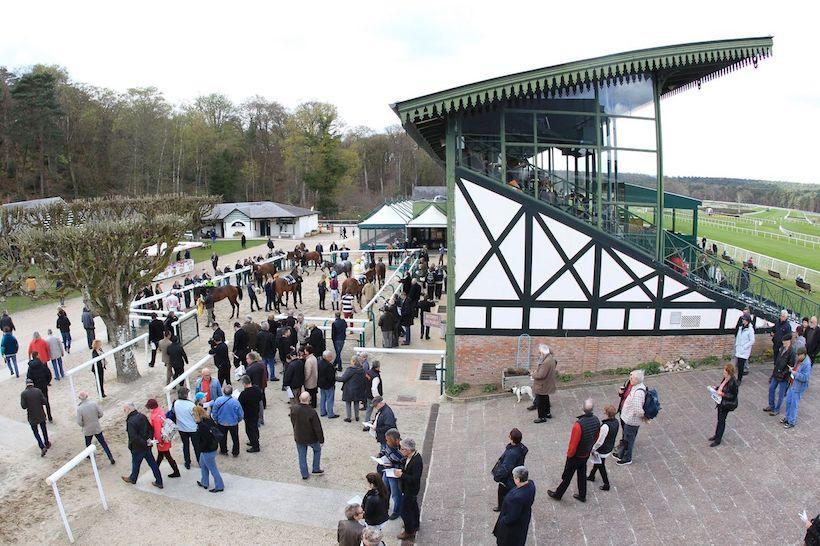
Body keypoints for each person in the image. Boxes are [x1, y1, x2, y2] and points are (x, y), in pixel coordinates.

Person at [547, 399, 601, 502]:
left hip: (576, 455)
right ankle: (582, 494)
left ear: (582, 409)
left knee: (567, 475)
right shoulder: (596, 420)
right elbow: (596, 436)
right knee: (582, 473)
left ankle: (558, 494)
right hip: (586, 453)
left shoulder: (578, 425)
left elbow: (573, 444)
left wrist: (570, 455)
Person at [121, 402, 163, 489]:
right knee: (153, 464)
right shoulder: (142, 416)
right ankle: (159, 481)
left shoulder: (130, 422)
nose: (124, 411)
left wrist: (145, 442)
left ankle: (133, 478)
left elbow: (134, 437)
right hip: (147, 446)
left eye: (125, 410)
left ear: (129, 410)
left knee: (136, 464)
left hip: (138, 448)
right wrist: (149, 440)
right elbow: (150, 429)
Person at [492, 466, 536, 546]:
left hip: (513, 528)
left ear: (518, 480)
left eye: (514, 477)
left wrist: (503, 521)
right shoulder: (531, 484)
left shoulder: (516, 498)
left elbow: (512, 517)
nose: (513, 478)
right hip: (524, 519)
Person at [613, 369, 646, 466]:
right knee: (625, 437)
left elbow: (638, 410)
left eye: (632, 377)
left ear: (637, 380)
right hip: (626, 416)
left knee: (629, 439)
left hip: (631, 420)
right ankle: (621, 452)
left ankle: (627, 458)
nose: (629, 378)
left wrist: (644, 418)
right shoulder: (632, 385)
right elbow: (624, 395)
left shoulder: (638, 393)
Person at [290, 391, 324, 479]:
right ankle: (315, 468)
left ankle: (304, 474)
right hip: (311, 438)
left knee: (302, 456)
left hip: (299, 436)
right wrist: (321, 440)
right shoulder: (312, 412)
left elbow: (293, 421)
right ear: (309, 399)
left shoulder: (294, 408)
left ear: (300, 399)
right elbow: (317, 428)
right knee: (317, 450)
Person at [492, 428, 528, 512]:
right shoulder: (521, 447)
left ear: (512, 439)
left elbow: (506, 468)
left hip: (509, 477)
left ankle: (501, 507)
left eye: (510, 436)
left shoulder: (512, 453)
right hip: (516, 473)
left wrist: (497, 477)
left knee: (502, 492)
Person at [395, 437, 423, 541]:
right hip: (408, 488)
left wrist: (401, 475)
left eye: (401, 449)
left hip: (411, 489)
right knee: (413, 507)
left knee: (404, 511)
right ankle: (415, 524)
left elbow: (415, 479)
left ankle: (409, 531)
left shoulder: (416, 461)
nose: (400, 450)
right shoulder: (410, 457)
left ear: (408, 450)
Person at [76, 391, 115, 464]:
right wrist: (96, 419)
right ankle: (110, 457)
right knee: (103, 443)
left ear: (80, 398)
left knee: (88, 443)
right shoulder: (93, 403)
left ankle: (90, 456)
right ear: (87, 396)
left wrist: (84, 425)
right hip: (96, 427)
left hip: (87, 429)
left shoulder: (80, 408)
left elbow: (79, 422)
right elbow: (101, 413)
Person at [586, 405, 619, 491]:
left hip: (602, 450)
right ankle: (591, 476)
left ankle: (606, 484)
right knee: (598, 463)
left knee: (601, 466)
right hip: (609, 446)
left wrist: (593, 448)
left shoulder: (605, 426)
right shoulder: (616, 422)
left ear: (606, 413)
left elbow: (600, 441)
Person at [146, 399, 181, 478]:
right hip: (166, 436)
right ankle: (157, 468)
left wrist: (159, 442)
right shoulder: (159, 411)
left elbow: (158, 432)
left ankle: (174, 471)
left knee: (166, 455)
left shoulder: (155, 418)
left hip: (162, 440)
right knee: (162, 455)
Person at [193, 405, 224, 492]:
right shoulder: (208, 419)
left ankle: (219, 486)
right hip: (211, 448)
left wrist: (200, 447)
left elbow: (205, 440)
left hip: (207, 450)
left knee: (213, 469)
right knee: (203, 465)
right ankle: (204, 482)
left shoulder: (202, 426)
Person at [709, 363, 739, 446]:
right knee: (719, 420)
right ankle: (716, 435)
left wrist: (722, 394)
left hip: (726, 404)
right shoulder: (726, 378)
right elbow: (722, 386)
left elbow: (733, 395)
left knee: (721, 421)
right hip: (721, 402)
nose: (723, 373)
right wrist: (716, 388)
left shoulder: (733, 382)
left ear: (729, 373)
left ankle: (718, 440)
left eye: (725, 372)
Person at [764, 334, 794, 416]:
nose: (783, 343)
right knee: (771, 388)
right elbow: (777, 362)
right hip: (776, 373)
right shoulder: (782, 349)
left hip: (784, 376)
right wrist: (773, 373)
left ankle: (777, 409)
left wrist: (783, 374)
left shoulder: (792, 352)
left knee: (781, 393)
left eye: (784, 342)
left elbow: (790, 367)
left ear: (788, 341)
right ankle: (771, 405)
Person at [783, 347, 812, 429]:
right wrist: (793, 370)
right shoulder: (800, 360)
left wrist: (794, 373)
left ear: (804, 354)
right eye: (798, 355)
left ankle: (791, 422)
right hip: (793, 384)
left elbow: (805, 378)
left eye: (799, 355)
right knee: (788, 402)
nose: (798, 357)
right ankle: (787, 418)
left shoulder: (807, 364)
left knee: (793, 404)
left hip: (798, 387)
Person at [211, 385, 244, 457]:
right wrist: (237, 420)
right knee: (235, 438)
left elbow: (214, 412)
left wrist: (216, 420)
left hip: (221, 423)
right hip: (233, 423)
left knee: (222, 438)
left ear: (223, 392)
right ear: (231, 392)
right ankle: (235, 452)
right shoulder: (236, 402)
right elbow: (240, 414)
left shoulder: (218, 400)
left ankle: (223, 450)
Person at [21, 379, 50, 457]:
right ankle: (47, 442)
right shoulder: (38, 391)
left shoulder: (23, 394)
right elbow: (44, 402)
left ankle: (42, 446)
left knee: (36, 432)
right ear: (33, 384)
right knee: (44, 429)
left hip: (32, 416)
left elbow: (23, 406)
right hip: (40, 414)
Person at [529, 344, 557, 422]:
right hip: (547, 383)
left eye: (540, 353)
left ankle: (542, 417)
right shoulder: (551, 358)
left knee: (541, 402)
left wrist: (533, 374)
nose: (539, 354)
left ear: (543, 352)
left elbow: (541, 375)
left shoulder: (546, 362)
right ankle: (548, 413)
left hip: (542, 385)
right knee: (545, 398)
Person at [173, 387, 199, 469]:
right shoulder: (191, 405)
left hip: (181, 428)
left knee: (185, 445)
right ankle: (200, 461)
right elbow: (196, 417)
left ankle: (187, 462)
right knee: (196, 446)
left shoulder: (176, 403)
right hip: (192, 428)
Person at [26, 352, 53, 422]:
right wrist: (46, 382)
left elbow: (28, 378)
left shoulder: (30, 368)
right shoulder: (42, 365)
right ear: (37, 356)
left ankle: (43, 416)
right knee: (46, 401)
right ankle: (50, 417)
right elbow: (49, 374)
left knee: (39, 403)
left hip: (36, 387)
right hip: (43, 385)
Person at [238, 375, 263, 452]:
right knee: (254, 428)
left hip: (248, 414)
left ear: (244, 383)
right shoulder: (257, 389)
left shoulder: (244, 394)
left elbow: (240, 404)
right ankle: (254, 441)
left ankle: (255, 446)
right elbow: (260, 398)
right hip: (256, 412)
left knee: (250, 430)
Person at [339, 356, 367, 422]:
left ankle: (349, 417)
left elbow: (343, 378)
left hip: (349, 389)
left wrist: (335, 377)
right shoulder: (362, 369)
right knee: (356, 403)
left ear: (354, 361)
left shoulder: (350, 369)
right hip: (358, 389)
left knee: (348, 403)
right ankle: (357, 416)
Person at [318, 350, 339, 418]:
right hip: (328, 385)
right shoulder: (329, 365)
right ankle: (330, 414)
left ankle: (323, 411)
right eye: (330, 356)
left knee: (323, 398)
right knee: (330, 399)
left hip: (321, 384)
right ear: (327, 357)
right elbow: (331, 377)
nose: (332, 357)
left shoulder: (320, 363)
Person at [735, 313, 754, 384]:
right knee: (738, 364)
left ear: (747, 320)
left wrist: (744, 347)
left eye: (744, 319)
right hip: (739, 348)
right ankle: (737, 377)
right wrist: (737, 345)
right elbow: (738, 337)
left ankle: (739, 379)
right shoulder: (741, 327)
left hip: (744, 350)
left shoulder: (750, 330)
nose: (742, 320)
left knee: (741, 365)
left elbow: (752, 340)